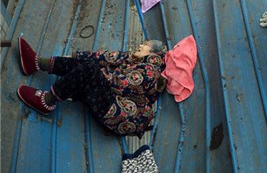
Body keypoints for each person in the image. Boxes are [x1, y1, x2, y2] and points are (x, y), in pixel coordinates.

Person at [16, 37, 168, 137]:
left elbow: (115, 85)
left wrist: (89, 68)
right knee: (89, 66)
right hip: (111, 98)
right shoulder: (134, 58)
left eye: (146, 45)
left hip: (118, 115)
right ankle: (36, 63)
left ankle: (47, 102)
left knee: (89, 70)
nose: (141, 45)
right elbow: (106, 56)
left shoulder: (149, 73)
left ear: (154, 53)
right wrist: (78, 56)